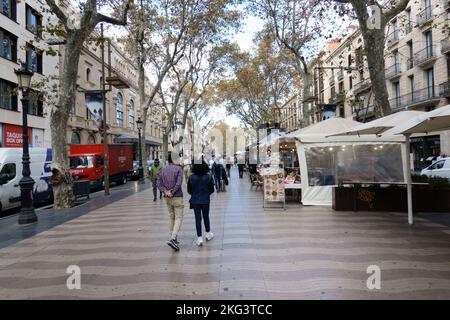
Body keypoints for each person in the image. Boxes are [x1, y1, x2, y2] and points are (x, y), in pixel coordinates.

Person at [157, 152, 184, 252]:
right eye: (179, 158)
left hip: (167, 197)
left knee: (171, 216)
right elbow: (179, 183)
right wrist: (172, 192)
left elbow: (158, 182)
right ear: (175, 159)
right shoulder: (179, 169)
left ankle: (174, 238)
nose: (180, 160)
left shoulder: (163, 170)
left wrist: (165, 191)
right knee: (178, 217)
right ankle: (173, 238)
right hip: (177, 196)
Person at [187, 160, 215, 246]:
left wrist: (195, 194)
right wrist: (206, 194)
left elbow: (189, 190)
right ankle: (208, 233)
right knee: (206, 216)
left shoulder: (191, 177)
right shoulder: (208, 177)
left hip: (195, 200)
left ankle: (199, 238)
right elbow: (212, 189)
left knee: (197, 218)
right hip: (206, 200)